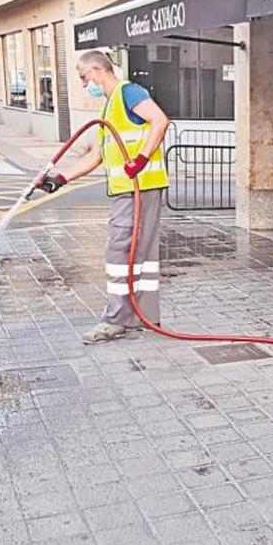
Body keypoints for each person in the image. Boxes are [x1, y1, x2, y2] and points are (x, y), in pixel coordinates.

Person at [37, 51, 171, 344]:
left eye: (85, 78)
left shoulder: (129, 93)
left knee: (118, 253)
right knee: (139, 255)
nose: (86, 85)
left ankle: (115, 320)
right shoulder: (110, 107)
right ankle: (142, 317)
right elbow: (96, 155)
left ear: (98, 70)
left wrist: (141, 159)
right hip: (134, 188)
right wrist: (60, 179)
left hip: (138, 187)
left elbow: (160, 121)